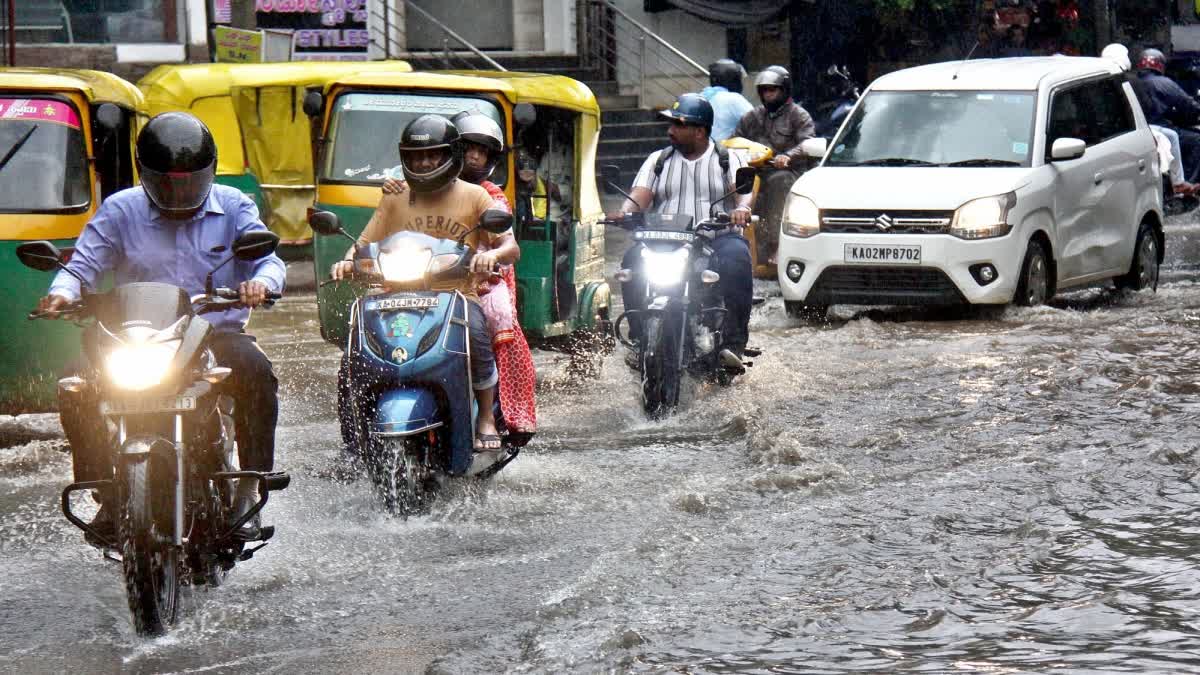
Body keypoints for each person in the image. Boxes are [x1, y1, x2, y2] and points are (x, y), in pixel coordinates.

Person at [37, 112, 286, 543]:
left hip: (211, 334)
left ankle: (248, 490)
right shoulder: (120, 210)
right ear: (146, 176)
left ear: (209, 173)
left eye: (190, 181)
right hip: (136, 337)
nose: (180, 190)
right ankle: (107, 495)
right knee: (75, 384)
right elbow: (82, 266)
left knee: (256, 371)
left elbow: (268, 259)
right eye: (168, 182)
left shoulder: (234, 205)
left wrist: (260, 284)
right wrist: (62, 293)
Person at [331, 114, 521, 451]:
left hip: (456, 295)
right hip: (395, 293)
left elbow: (511, 246)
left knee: (477, 335)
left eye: (432, 155)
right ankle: (354, 440)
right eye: (416, 157)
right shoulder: (395, 196)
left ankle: (486, 418)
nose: (424, 162)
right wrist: (347, 261)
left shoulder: (475, 196)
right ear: (404, 158)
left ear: (450, 155)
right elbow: (363, 242)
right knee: (352, 359)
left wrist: (491, 256)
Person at [379, 111, 537, 436]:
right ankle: (355, 431)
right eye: (468, 148)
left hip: (476, 278)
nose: (475, 156)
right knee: (363, 336)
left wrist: (488, 256)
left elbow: (507, 242)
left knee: (494, 319)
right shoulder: (409, 186)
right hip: (415, 274)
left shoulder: (487, 195)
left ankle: (492, 414)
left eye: (482, 151)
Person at [607, 93, 754, 372]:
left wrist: (742, 210)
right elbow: (639, 197)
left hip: (715, 239)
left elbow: (744, 195)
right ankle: (641, 338)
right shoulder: (657, 160)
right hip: (665, 242)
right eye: (670, 124)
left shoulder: (728, 158)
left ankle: (733, 344)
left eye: (678, 125)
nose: (670, 131)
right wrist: (625, 212)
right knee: (632, 261)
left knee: (738, 259)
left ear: (700, 131)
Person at [733, 65, 815, 266]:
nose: (768, 94)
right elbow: (735, 139)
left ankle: (779, 245)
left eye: (773, 90)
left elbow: (807, 143)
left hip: (788, 172)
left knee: (780, 181)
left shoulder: (799, 115)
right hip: (757, 172)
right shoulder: (751, 117)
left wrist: (788, 156)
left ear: (784, 90)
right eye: (764, 90)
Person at [1102, 43, 1197, 196]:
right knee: (1177, 137)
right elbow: (1185, 104)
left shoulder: (1106, 82)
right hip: (1143, 126)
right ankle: (1180, 184)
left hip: (1119, 129)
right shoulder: (1131, 80)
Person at [1137, 47, 1200, 186]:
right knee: (1197, 141)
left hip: (1138, 131)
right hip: (1159, 129)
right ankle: (1186, 184)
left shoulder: (1131, 81)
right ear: (1160, 65)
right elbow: (1187, 103)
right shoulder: (1164, 82)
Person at [700, 58, 754, 142]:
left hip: (704, 150)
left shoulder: (703, 95)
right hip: (727, 151)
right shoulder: (734, 99)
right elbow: (756, 122)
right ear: (733, 80)